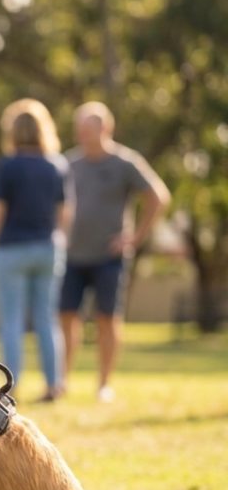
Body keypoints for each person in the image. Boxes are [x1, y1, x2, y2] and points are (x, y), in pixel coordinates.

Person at [60, 101, 170, 402]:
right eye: (79, 129)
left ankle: (104, 384)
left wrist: (134, 237)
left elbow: (158, 197)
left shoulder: (125, 163)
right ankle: (63, 381)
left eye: (88, 129)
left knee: (107, 318)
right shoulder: (69, 164)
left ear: (105, 129)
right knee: (67, 318)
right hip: (72, 256)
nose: (82, 134)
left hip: (109, 257)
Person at [0, 99, 71, 402]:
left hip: (12, 248)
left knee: (12, 319)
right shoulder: (56, 165)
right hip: (48, 247)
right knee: (47, 318)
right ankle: (54, 384)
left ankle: (12, 384)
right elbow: (65, 214)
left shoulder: (8, 165)